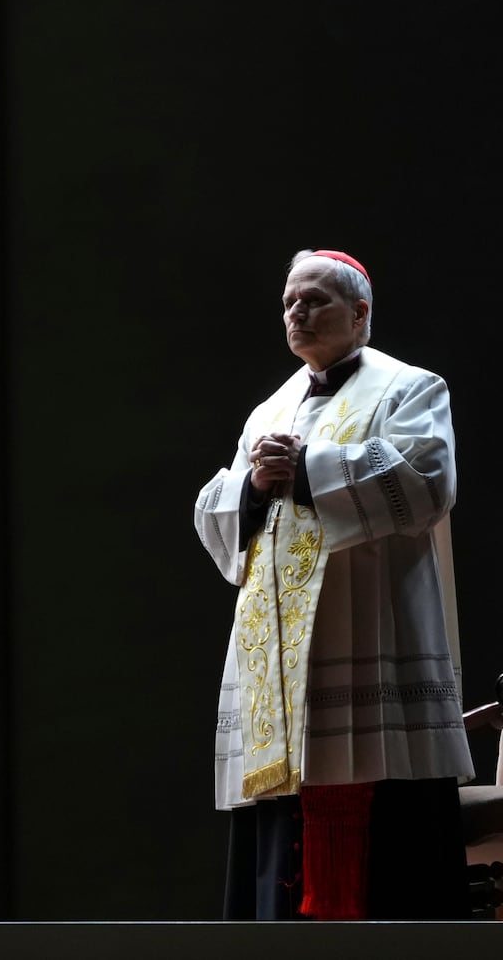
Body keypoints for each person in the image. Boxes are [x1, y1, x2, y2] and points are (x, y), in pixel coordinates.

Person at [193, 248, 473, 921]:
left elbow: (428, 482)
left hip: (370, 635)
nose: (297, 311)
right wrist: (255, 486)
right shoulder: (269, 410)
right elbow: (217, 509)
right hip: (280, 688)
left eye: (313, 299)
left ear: (360, 312)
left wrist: (311, 469)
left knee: (390, 862)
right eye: (289, 301)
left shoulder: (409, 388)